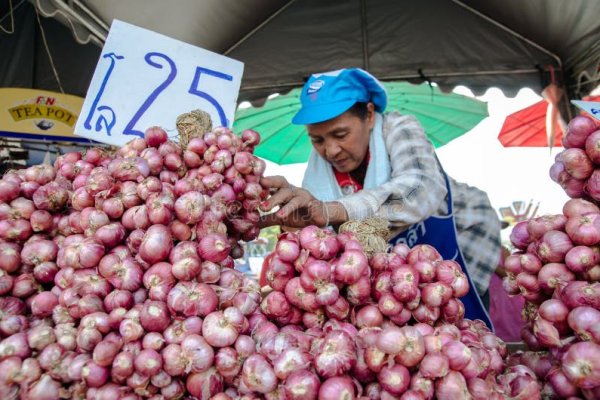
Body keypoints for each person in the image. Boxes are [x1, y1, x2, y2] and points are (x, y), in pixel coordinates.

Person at [259, 68, 501, 328]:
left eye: (341, 135)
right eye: (317, 139)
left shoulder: (399, 127)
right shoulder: (316, 175)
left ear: (370, 115)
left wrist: (333, 210)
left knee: (461, 331)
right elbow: (327, 246)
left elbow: (420, 187)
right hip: (394, 288)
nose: (330, 150)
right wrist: (299, 228)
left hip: (465, 244)